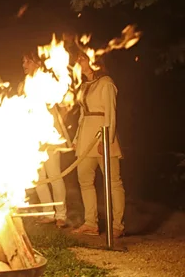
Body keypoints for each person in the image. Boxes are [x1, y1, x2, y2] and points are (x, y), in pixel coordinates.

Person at [71, 53, 125, 237]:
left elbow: (111, 111)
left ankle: (117, 225)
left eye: (82, 58)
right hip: (86, 137)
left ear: (94, 62)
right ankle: (90, 223)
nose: (79, 61)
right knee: (84, 180)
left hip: (102, 133)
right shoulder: (83, 85)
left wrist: (107, 139)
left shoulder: (106, 82)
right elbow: (82, 114)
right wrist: (77, 138)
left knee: (113, 182)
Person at [20, 52, 70, 228]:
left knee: (54, 175)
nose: (24, 64)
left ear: (37, 62)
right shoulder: (22, 85)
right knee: (38, 177)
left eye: (27, 61)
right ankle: (49, 212)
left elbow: (64, 107)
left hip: (50, 136)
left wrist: (56, 123)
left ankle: (61, 214)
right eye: (23, 61)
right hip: (32, 138)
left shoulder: (48, 81)